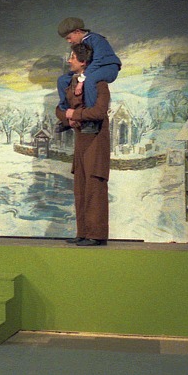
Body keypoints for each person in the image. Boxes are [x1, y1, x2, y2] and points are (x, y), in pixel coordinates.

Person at [56, 43, 111, 246]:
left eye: (73, 57)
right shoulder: (71, 83)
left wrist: (75, 114)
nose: (69, 61)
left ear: (84, 61)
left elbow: (99, 112)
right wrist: (68, 118)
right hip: (81, 142)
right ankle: (83, 232)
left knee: (95, 187)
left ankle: (96, 235)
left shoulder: (99, 84)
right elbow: (60, 109)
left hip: (95, 141)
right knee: (80, 188)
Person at [55, 17, 121, 133]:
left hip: (108, 67)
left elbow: (98, 61)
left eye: (69, 37)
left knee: (90, 80)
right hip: (92, 70)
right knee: (63, 80)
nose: (69, 41)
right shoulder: (80, 44)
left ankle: (91, 122)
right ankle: (67, 115)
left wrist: (82, 80)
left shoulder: (96, 39)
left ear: (77, 32)